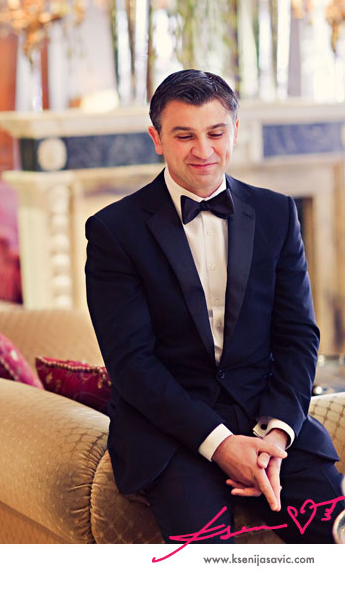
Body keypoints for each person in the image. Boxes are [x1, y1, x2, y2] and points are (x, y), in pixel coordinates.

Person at [85, 69, 344, 544]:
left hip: (268, 421)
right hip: (171, 431)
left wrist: (275, 436)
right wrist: (222, 445)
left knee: (334, 533)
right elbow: (132, 365)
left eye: (216, 133)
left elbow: (298, 335)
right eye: (184, 135)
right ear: (156, 139)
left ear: (235, 132)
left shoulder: (277, 213)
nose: (203, 150)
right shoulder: (113, 232)